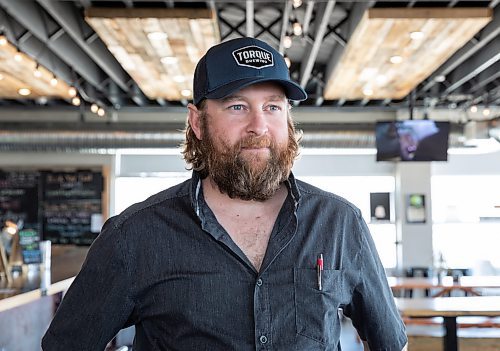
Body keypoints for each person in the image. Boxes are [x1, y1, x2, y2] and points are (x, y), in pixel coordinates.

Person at [42, 37, 407, 350]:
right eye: (237, 106)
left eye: (273, 107)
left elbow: (390, 342)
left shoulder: (340, 223)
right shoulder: (134, 236)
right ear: (197, 122)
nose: (258, 126)